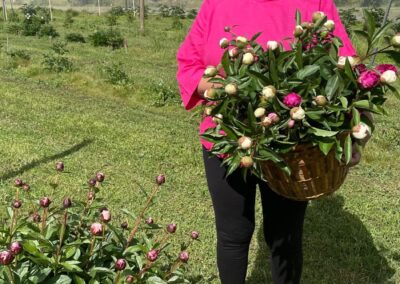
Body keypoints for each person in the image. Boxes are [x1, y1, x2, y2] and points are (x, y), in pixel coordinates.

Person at [176, 1, 361, 283]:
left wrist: (354, 132)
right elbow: (189, 65)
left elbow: (346, 65)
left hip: (291, 147)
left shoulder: (316, 3)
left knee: (284, 235)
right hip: (227, 143)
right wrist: (228, 90)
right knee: (233, 234)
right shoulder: (216, 4)